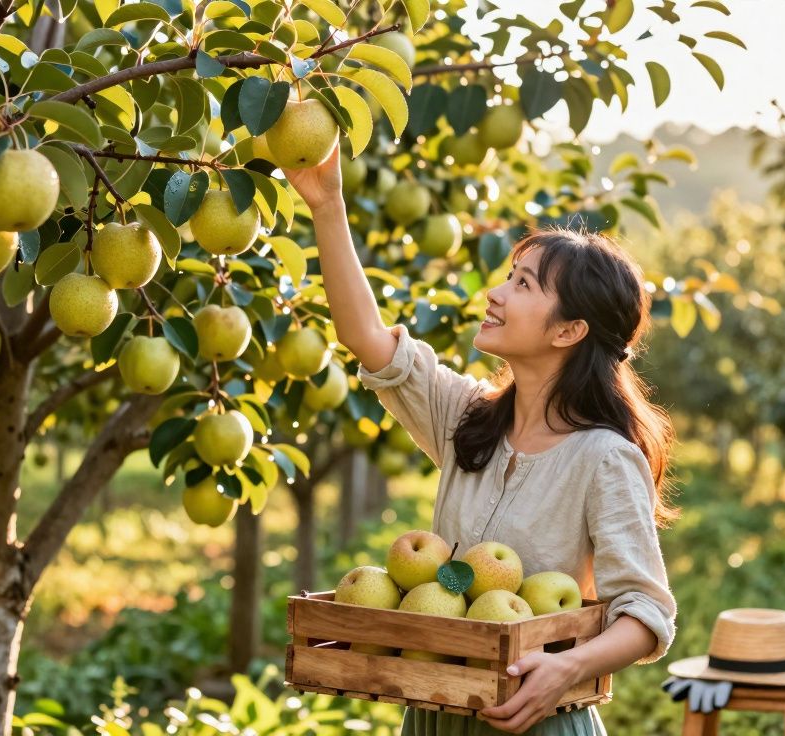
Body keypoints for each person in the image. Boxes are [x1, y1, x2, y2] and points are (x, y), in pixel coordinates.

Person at [282, 148, 680, 735]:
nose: (495, 292)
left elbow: (646, 615)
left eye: (522, 285)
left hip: (532, 717)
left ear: (569, 330)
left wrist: (564, 668)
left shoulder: (603, 458)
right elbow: (365, 336)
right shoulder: (469, 418)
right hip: (438, 710)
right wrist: (327, 203)